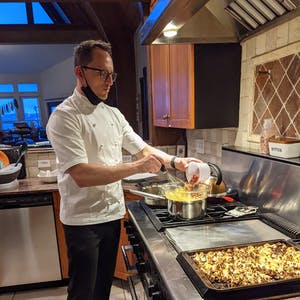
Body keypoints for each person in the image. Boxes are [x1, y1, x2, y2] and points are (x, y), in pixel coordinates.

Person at [46, 39, 201, 300]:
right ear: (79, 72)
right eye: (102, 73)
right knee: (84, 293)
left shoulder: (113, 115)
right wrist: (135, 167)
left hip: (112, 214)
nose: (109, 81)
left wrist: (177, 162)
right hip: (83, 222)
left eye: (111, 74)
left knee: (102, 288)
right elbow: (82, 175)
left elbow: (143, 149)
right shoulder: (64, 116)